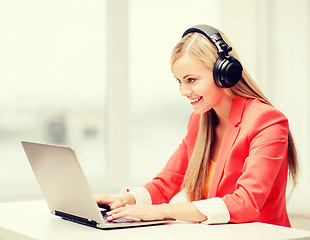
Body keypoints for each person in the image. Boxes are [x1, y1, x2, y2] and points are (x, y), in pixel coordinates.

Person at [96, 24, 298, 227]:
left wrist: (163, 211)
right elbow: (166, 183)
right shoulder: (199, 122)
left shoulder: (267, 121)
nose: (183, 91)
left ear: (224, 74)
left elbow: (246, 203)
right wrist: (126, 201)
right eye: (179, 81)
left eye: (191, 80)